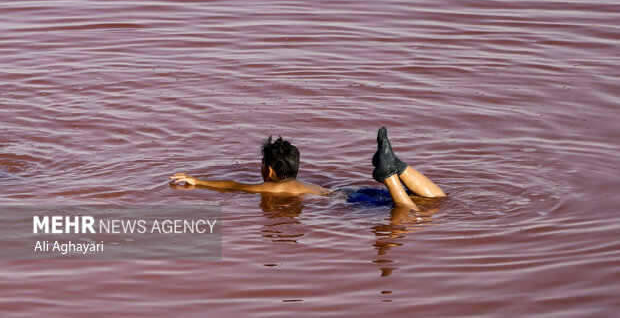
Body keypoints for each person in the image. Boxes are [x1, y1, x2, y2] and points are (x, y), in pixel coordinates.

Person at [170, 127, 445, 210]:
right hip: (352, 192)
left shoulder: (273, 188)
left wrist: (197, 181)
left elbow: (233, 186)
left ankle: (389, 174)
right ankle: (397, 167)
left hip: (350, 202)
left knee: (411, 213)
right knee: (436, 200)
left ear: (269, 171)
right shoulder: (304, 184)